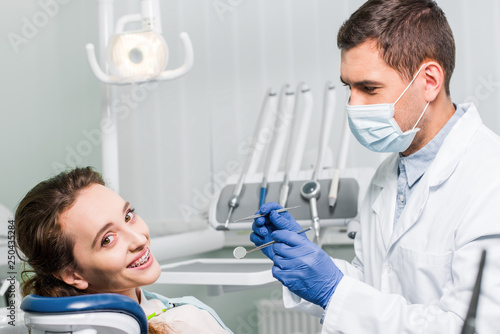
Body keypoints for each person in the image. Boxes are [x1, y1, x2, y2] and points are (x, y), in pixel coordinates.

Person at [251, 0, 500, 332]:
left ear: (429, 81)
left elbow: (473, 326)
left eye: (369, 88)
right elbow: (375, 283)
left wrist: (333, 290)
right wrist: (310, 264)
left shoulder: (489, 177)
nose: (353, 105)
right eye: (348, 88)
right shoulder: (388, 174)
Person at [15, 166, 233, 334]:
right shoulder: (187, 320)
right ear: (73, 274)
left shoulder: (180, 311)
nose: (138, 239)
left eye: (128, 216)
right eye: (108, 239)